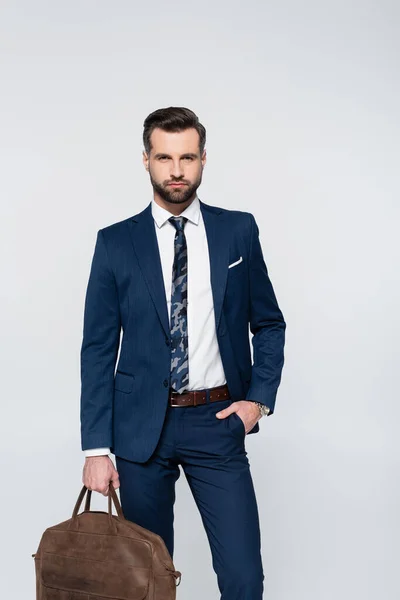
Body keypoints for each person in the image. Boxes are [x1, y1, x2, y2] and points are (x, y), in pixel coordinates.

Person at [80, 106, 286, 599]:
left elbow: (270, 323)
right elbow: (97, 348)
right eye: (165, 157)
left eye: (187, 157)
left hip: (218, 420)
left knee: (242, 578)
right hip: (139, 433)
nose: (176, 170)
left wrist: (257, 402)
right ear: (147, 160)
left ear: (203, 160)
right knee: (146, 581)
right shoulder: (115, 243)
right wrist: (96, 449)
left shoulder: (237, 231)